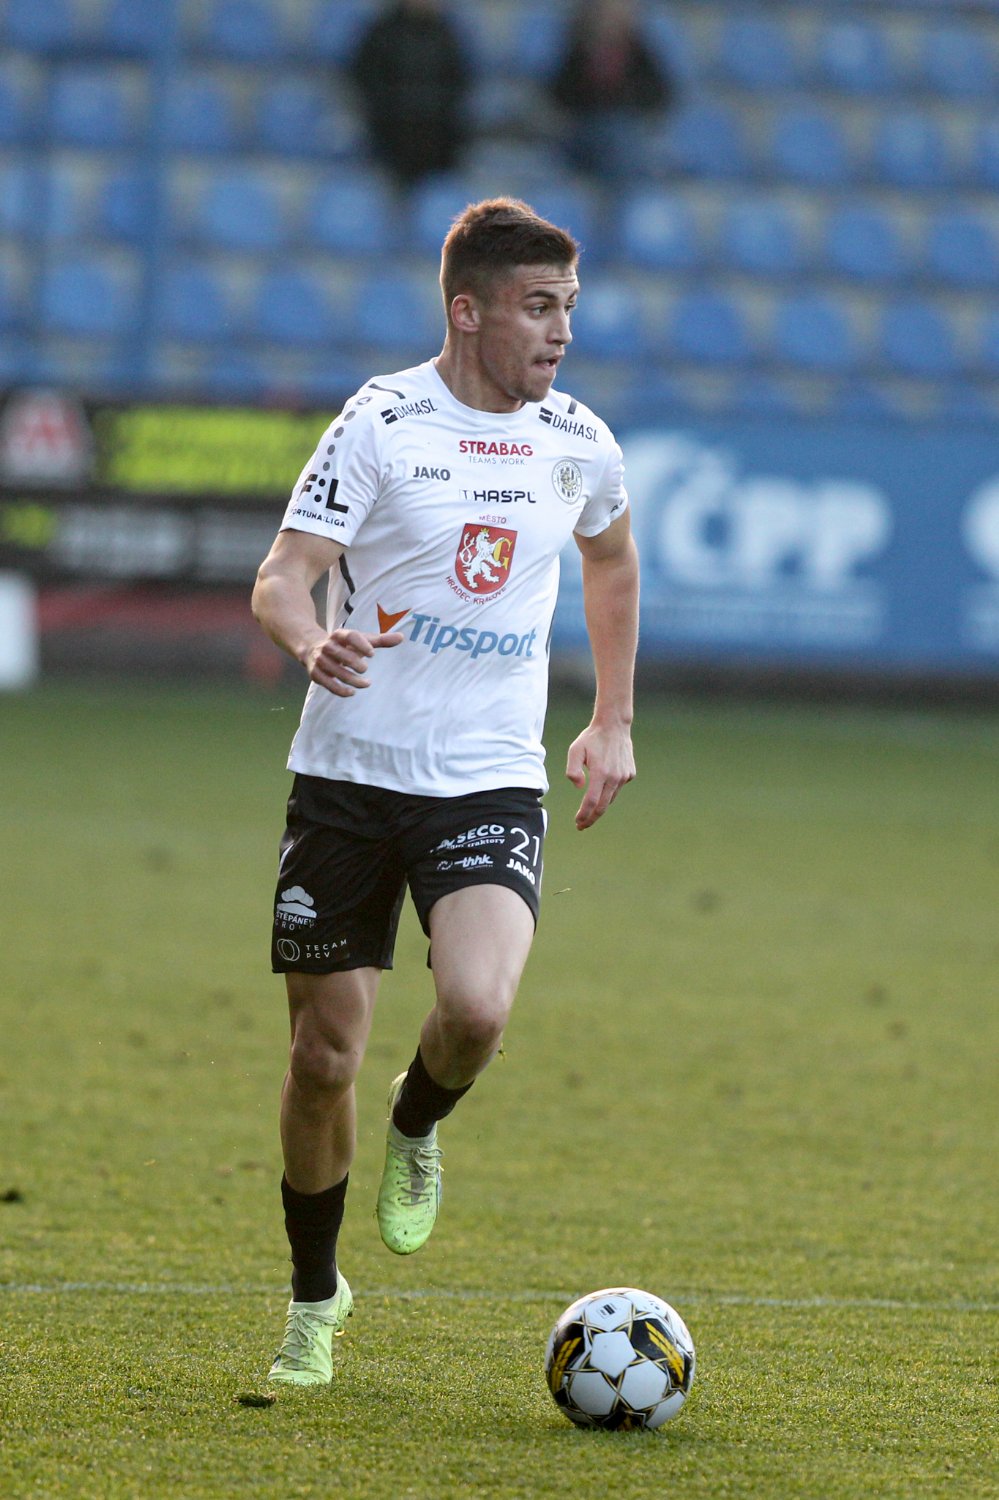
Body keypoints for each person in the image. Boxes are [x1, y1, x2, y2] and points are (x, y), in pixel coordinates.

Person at [252, 196, 640, 1387]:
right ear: (467, 312)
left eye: (569, 306)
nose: (561, 330)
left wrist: (611, 719)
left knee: (474, 1010)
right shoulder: (380, 422)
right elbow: (283, 577)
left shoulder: (580, 440)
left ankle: (417, 1122)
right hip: (349, 778)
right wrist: (312, 641)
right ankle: (315, 1300)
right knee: (323, 1059)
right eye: (538, 307)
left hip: (486, 779)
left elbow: (612, 561)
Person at [347, 0, 470, 189]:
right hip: (391, 132)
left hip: (437, 136)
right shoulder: (383, 32)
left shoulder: (447, 34)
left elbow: (458, 81)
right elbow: (367, 77)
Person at [546, 0, 675, 179]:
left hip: (628, 127)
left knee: (622, 136)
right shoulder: (577, 51)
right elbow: (560, 95)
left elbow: (658, 94)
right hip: (583, 128)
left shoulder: (640, 53)